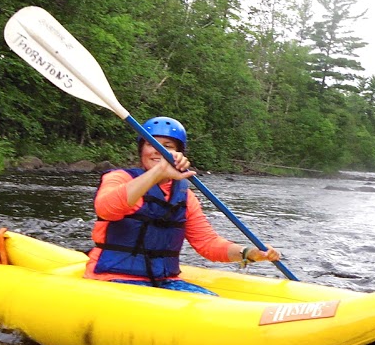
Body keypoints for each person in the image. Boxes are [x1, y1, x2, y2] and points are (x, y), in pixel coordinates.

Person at [85, 116, 280, 294]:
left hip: (163, 281)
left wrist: (248, 253)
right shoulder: (119, 178)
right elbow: (106, 209)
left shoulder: (184, 196)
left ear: (178, 153)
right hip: (113, 278)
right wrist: (157, 173)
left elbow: (207, 244)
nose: (157, 150)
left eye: (167, 145)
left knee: (211, 302)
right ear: (141, 150)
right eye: (151, 144)